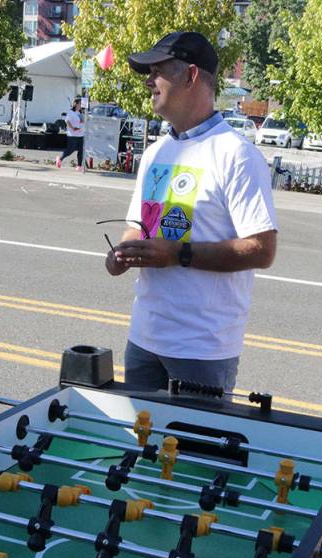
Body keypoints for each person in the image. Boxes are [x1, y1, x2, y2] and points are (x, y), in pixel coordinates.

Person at [104, 31, 277, 393]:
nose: (149, 80)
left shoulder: (236, 155)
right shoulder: (156, 153)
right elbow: (138, 227)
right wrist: (123, 252)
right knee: (141, 445)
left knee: (193, 449)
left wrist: (177, 254)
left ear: (191, 75)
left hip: (202, 349)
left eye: (158, 69)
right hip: (144, 339)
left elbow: (262, 249)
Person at [56, 98, 85, 171]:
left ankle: (79, 166)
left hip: (80, 134)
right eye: (80, 104)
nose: (81, 105)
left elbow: (82, 122)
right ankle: (60, 158)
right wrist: (73, 128)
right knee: (70, 149)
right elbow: (67, 121)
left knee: (81, 150)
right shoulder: (71, 112)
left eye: (81, 104)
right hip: (72, 134)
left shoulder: (81, 113)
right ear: (76, 104)